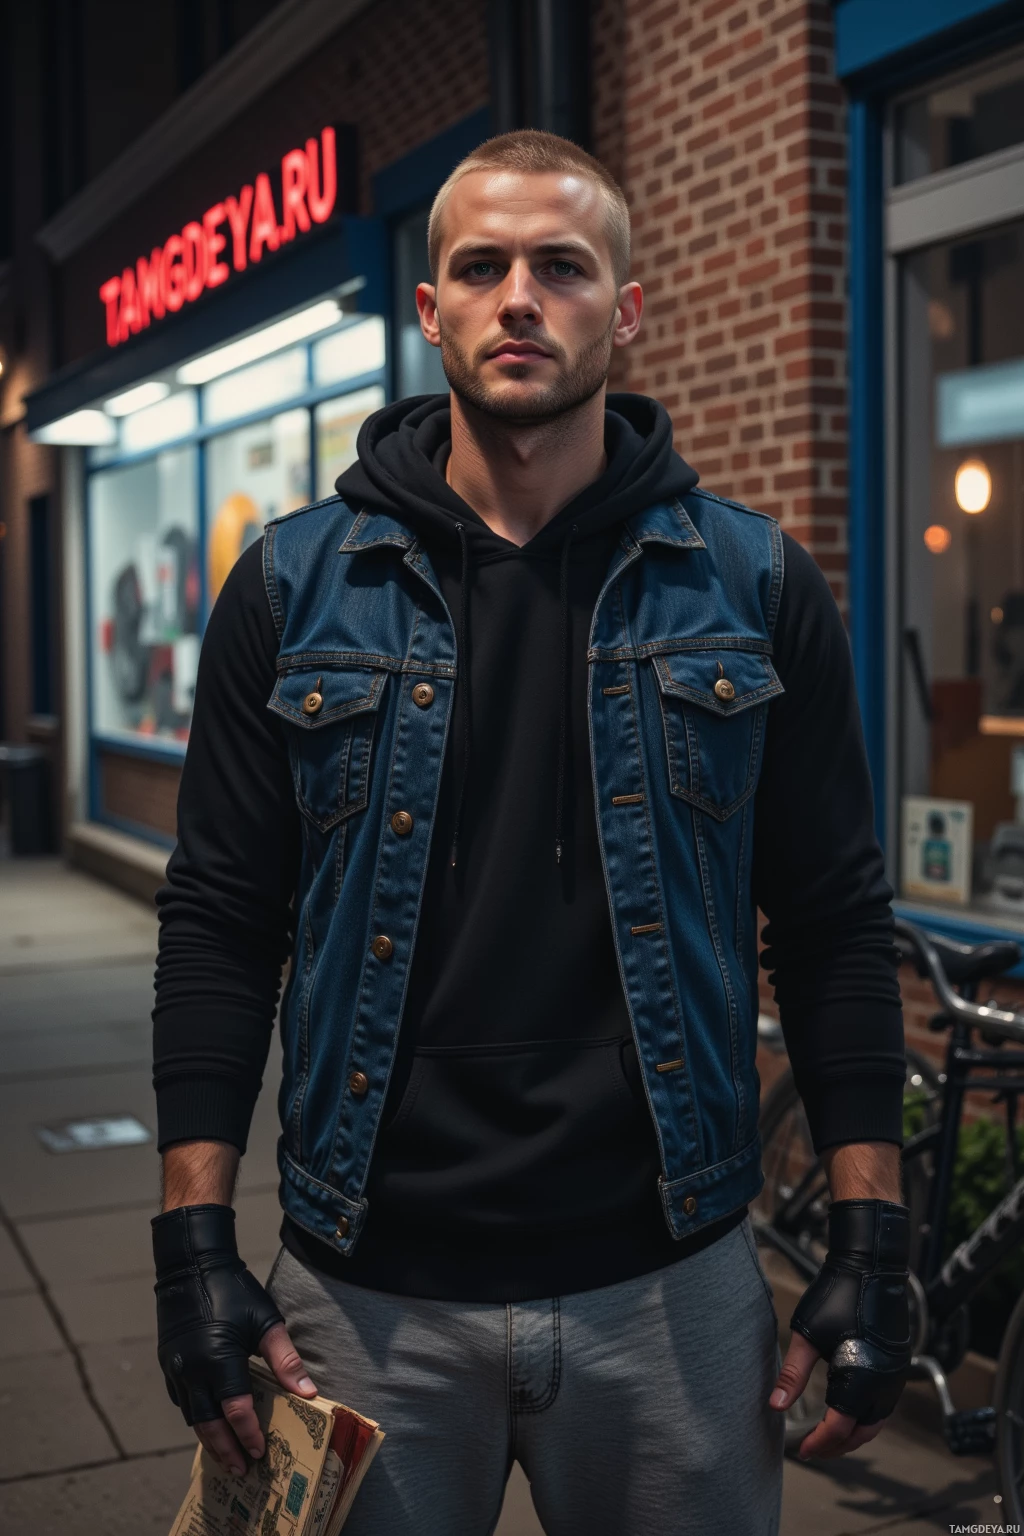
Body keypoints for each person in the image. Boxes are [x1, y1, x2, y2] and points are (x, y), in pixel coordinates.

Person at [152, 130, 910, 1536]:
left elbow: (833, 923)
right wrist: (191, 1242)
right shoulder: (288, 593)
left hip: (671, 1292)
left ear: (624, 310)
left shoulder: (751, 585)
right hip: (361, 1299)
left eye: (562, 266)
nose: (519, 297)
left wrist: (874, 1227)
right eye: (479, 265)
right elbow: (217, 922)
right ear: (428, 306)